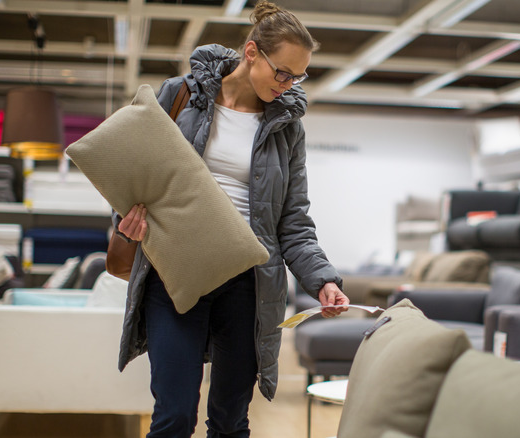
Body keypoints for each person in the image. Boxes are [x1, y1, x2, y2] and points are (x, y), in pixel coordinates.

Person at [112, 2, 350, 436]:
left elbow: (293, 222)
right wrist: (125, 221)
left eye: (298, 77)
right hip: (175, 273)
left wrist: (323, 280)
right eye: (282, 73)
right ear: (252, 52)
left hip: (249, 286)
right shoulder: (180, 96)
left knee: (229, 421)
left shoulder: (287, 127)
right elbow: (135, 169)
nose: (288, 85)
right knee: (174, 414)